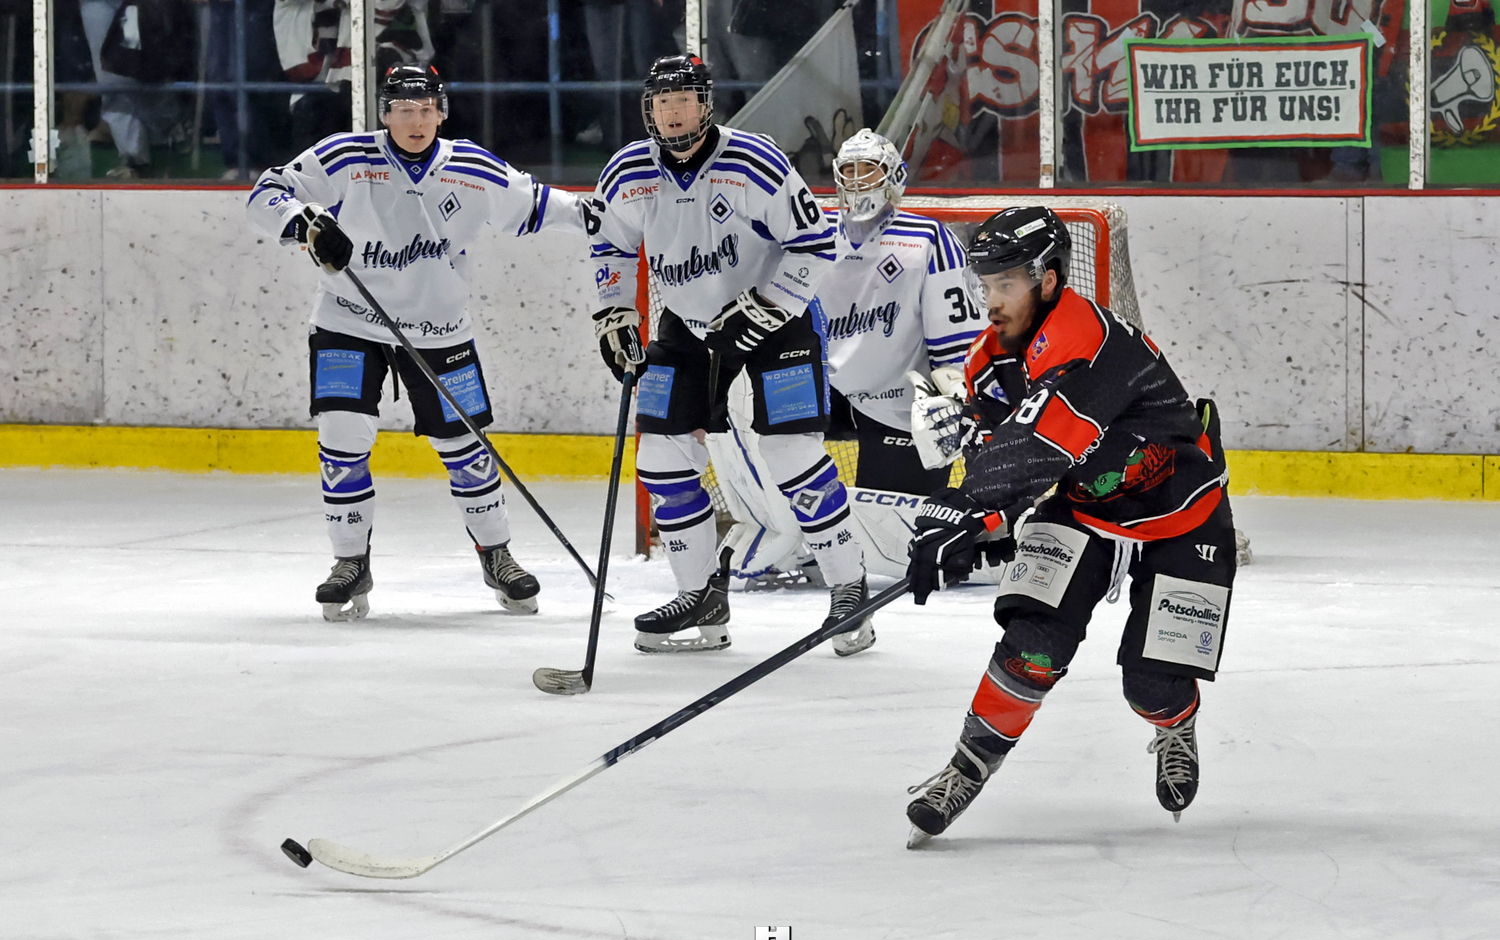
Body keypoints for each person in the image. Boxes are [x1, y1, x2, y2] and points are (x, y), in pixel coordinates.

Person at [902, 206, 1237, 846]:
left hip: (1181, 509)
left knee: (1153, 683)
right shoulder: (991, 356)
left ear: (1048, 279)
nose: (992, 301)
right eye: (986, 285)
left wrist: (971, 512)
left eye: (1006, 285)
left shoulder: (1088, 339)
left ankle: (1176, 722)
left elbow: (1037, 444)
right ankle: (967, 767)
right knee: (1032, 645)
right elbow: (995, 446)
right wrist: (968, 516)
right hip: (1086, 507)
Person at [245, 65, 582, 621]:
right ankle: (350, 561)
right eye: (404, 110)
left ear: (441, 113)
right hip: (348, 321)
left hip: (439, 329)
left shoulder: (471, 167)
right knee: (341, 438)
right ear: (385, 114)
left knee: (466, 448)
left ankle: (496, 553)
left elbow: (540, 203)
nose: (416, 121)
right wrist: (306, 223)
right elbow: (267, 192)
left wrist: (597, 214)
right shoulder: (346, 157)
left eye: (426, 110)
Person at [588, 53, 873, 656]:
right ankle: (700, 597)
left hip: (778, 322)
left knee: (791, 453)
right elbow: (610, 248)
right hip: (688, 325)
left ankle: (850, 591)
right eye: (662, 102)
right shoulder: (628, 171)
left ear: (706, 105)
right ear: (648, 109)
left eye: (683, 100)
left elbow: (816, 241)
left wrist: (767, 305)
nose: (672, 113)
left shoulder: (752, 161)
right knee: (661, 456)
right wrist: (614, 313)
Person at [814, 128, 985, 495]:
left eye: (869, 169)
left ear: (895, 176)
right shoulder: (814, 233)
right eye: (850, 170)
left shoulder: (927, 239)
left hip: (900, 404)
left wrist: (954, 394)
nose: (857, 180)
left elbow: (958, 337)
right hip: (823, 392)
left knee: (892, 520)